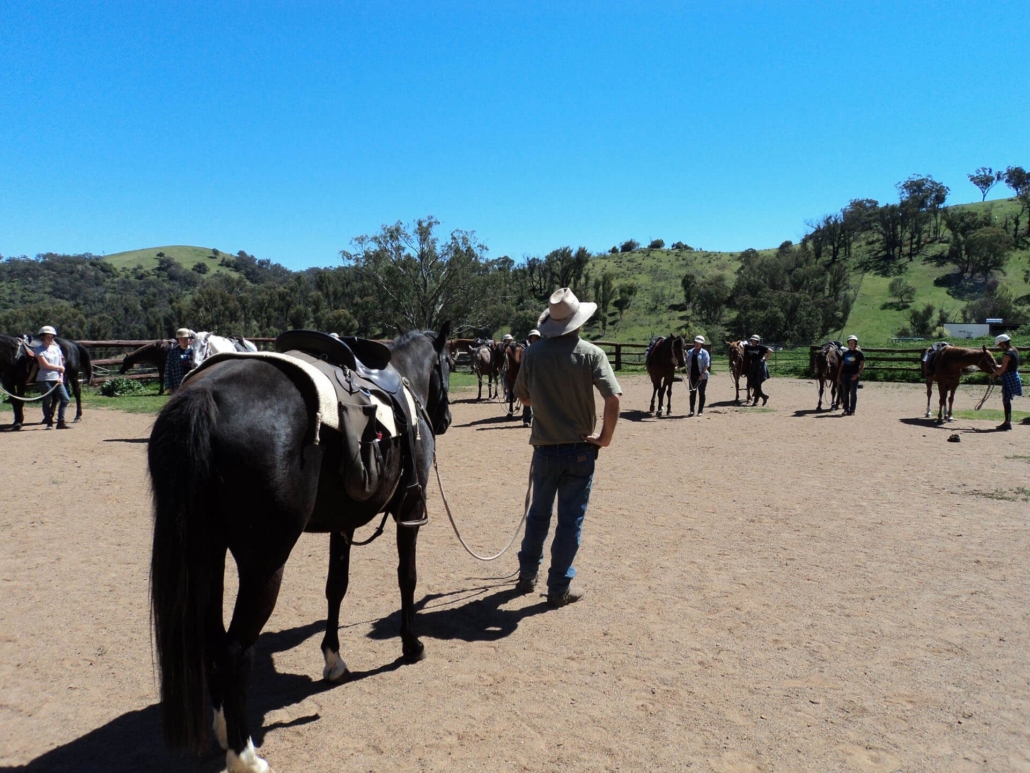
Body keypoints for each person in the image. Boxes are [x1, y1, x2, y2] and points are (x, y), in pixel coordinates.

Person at [513, 288, 622, 608]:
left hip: (545, 448)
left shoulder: (533, 353)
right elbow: (613, 398)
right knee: (570, 520)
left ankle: (526, 575)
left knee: (538, 515)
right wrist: (605, 437)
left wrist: (545, 396)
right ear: (578, 321)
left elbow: (523, 397)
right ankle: (558, 586)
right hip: (580, 450)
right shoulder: (592, 354)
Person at [33, 325, 71, 429]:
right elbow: (45, 365)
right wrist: (59, 368)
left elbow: (61, 364)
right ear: (43, 337)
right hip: (44, 379)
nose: (50, 339)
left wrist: (61, 376)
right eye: (48, 336)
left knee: (65, 399)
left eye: (52, 337)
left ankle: (61, 421)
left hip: (57, 378)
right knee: (47, 400)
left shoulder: (57, 349)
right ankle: (49, 421)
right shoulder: (39, 350)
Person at [991, 334, 1021, 431]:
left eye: (1000, 345)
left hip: (1009, 378)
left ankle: (1007, 423)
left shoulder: (1007, 355)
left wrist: (994, 374)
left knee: (1006, 400)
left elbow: (1003, 369)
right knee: (1007, 400)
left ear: (1003, 343)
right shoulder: (1014, 351)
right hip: (1014, 376)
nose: (1000, 347)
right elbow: (1008, 366)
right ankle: (1007, 421)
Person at [838, 335, 865, 416]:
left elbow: (862, 366)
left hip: (853, 375)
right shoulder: (845, 353)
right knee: (844, 393)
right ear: (848, 344)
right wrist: (839, 376)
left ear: (855, 343)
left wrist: (856, 375)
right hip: (844, 375)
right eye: (850, 343)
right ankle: (846, 409)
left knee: (853, 393)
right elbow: (842, 365)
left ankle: (852, 409)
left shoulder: (859, 354)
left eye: (853, 342)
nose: (851, 344)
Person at [520, 329, 542, 427]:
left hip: (540, 377)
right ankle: (527, 420)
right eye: (532, 338)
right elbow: (523, 364)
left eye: (535, 338)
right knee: (527, 399)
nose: (534, 340)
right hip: (529, 377)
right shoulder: (526, 351)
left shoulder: (543, 350)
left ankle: (540, 420)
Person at [685, 335, 710, 416]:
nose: (697, 344)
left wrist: (702, 373)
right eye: (696, 342)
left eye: (699, 343)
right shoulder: (689, 352)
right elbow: (686, 362)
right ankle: (692, 410)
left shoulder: (704, 353)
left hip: (702, 376)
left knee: (701, 393)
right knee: (692, 393)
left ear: (701, 344)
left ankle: (700, 411)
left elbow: (706, 364)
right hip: (692, 375)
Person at [164, 328, 195, 394]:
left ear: (189, 339)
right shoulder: (172, 353)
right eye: (181, 339)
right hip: (177, 383)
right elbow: (168, 369)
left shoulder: (194, 352)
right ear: (178, 340)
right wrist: (168, 385)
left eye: (185, 339)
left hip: (193, 382)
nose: (183, 341)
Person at [744, 334, 771, 405]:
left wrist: (766, 359)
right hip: (753, 366)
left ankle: (756, 401)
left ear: (757, 341)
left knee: (758, 383)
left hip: (759, 366)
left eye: (754, 341)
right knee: (750, 382)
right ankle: (763, 396)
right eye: (752, 341)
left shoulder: (760, 347)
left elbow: (770, 351)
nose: (753, 342)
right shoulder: (748, 347)